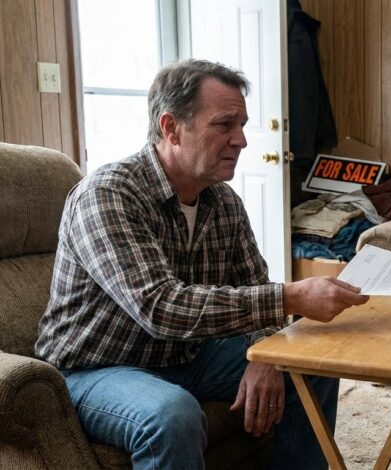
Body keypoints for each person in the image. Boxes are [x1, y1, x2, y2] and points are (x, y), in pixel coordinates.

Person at [35, 59, 369, 470]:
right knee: (171, 415)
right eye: (224, 124)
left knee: (311, 361)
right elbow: (160, 307)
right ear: (171, 127)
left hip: (186, 354)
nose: (241, 140)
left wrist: (265, 353)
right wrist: (292, 297)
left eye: (242, 125)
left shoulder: (224, 202)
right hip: (95, 368)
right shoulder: (108, 195)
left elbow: (253, 284)